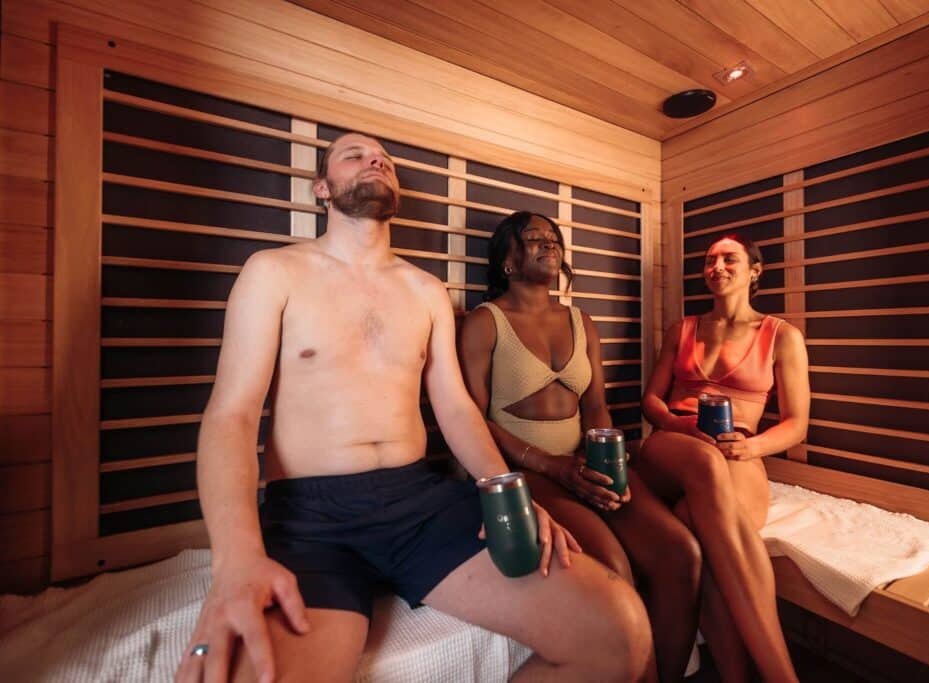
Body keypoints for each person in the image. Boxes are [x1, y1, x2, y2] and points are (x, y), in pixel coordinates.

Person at [175, 133, 652, 683]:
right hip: (312, 520)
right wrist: (235, 560)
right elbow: (231, 414)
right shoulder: (274, 272)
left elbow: (455, 408)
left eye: (385, 158)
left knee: (619, 632)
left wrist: (507, 493)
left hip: (420, 503)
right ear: (322, 189)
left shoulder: (425, 291)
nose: (376, 159)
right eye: (354, 155)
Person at [458, 211, 701, 682]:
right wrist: (551, 466)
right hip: (523, 474)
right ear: (507, 260)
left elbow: (595, 405)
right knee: (614, 569)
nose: (549, 244)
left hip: (581, 465)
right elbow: (473, 419)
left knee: (681, 555)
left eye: (554, 239)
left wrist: (599, 459)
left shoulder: (580, 320)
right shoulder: (485, 323)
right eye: (534, 238)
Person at [635, 233, 809, 683]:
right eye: (710, 260)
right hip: (673, 445)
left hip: (738, 449)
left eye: (729, 258)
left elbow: (795, 424)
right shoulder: (683, 329)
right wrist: (681, 426)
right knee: (706, 469)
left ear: (755, 271)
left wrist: (750, 447)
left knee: (702, 527)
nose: (716, 266)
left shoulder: (782, 337)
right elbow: (651, 402)